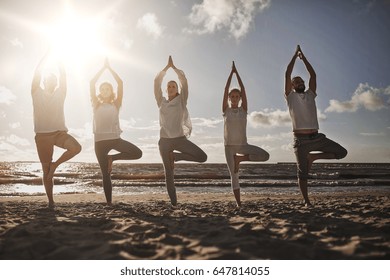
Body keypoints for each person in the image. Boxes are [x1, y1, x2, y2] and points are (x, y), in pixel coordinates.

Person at [285, 45, 348, 206]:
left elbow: (313, 74)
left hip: (317, 137)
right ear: (292, 86)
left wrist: (303, 57)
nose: (300, 82)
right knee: (303, 174)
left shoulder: (311, 94)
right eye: (296, 81)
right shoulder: (290, 97)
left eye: (301, 81)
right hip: (301, 141)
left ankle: (314, 157)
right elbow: (287, 74)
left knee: (342, 152)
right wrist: (294, 56)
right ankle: (307, 202)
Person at [154, 55, 207, 206]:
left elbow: (184, 81)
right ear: (166, 90)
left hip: (179, 140)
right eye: (169, 86)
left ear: (177, 90)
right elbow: (156, 82)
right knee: (168, 174)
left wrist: (174, 68)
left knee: (202, 156)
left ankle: (176, 157)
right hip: (164, 142)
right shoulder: (161, 102)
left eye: (173, 86)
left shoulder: (181, 100)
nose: (171, 88)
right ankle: (174, 203)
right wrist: (165, 69)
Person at [31, 50, 82, 208]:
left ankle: (56, 165)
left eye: (54, 79)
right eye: (49, 79)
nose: (51, 80)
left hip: (59, 133)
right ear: (45, 81)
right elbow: (36, 75)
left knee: (76, 148)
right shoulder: (36, 92)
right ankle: (51, 201)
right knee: (45, 170)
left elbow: (63, 76)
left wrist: (59, 60)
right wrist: (44, 58)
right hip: (42, 136)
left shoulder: (61, 92)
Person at [90, 58, 142, 205]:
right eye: (102, 89)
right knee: (106, 175)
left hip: (115, 139)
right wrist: (102, 69)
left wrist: (110, 69)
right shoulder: (95, 104)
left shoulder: (116, 104)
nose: (104, 91)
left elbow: (120, 83)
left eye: (107, 89)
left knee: (137, 153)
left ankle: (112, 158)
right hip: (99, 142)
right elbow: (91, 83)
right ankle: (109, 203)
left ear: (111, 91)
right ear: (100, 92)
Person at [223, 61, 270, 208]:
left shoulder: (244, 110)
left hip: (243, 146)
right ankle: (239, 204)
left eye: (237, 96)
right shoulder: (226, 111)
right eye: (233, 96)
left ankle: (240, 160)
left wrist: (238, 74)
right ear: (229, 98)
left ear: (240, 98)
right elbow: (225, 89)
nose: (235, 98)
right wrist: (231, 74)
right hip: (229, 147)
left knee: (265, 156)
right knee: (234, 176)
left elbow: (243, 89)